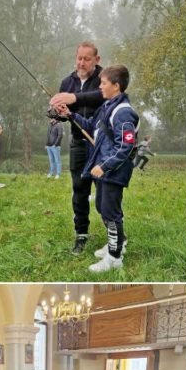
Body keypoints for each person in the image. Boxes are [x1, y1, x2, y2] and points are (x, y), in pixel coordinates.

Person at [54, 64, 138, 273]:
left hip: (113, 172)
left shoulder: (123, 112)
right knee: (102, 207)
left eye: (103, 83)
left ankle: (115, 257)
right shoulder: (106, 106)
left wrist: (105, 165)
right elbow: (90, 126)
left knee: (111, 212)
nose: (100, 87)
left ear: (116, 86)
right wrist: (70, 114)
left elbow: (126, 146)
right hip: (102, 170)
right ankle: (116, 243)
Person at [50, 41, 106, 255]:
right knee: (79, 191)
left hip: (100, 145)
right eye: (79, 58)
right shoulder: (68, 81)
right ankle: (81, 234)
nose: (81, 63)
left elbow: (101, 96)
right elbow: (63, 113)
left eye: (87, 59)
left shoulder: (104, 78)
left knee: (104, 192)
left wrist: (74, 97)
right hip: (78, 144)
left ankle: (115, 235)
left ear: (96, 60)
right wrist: (56, 113)